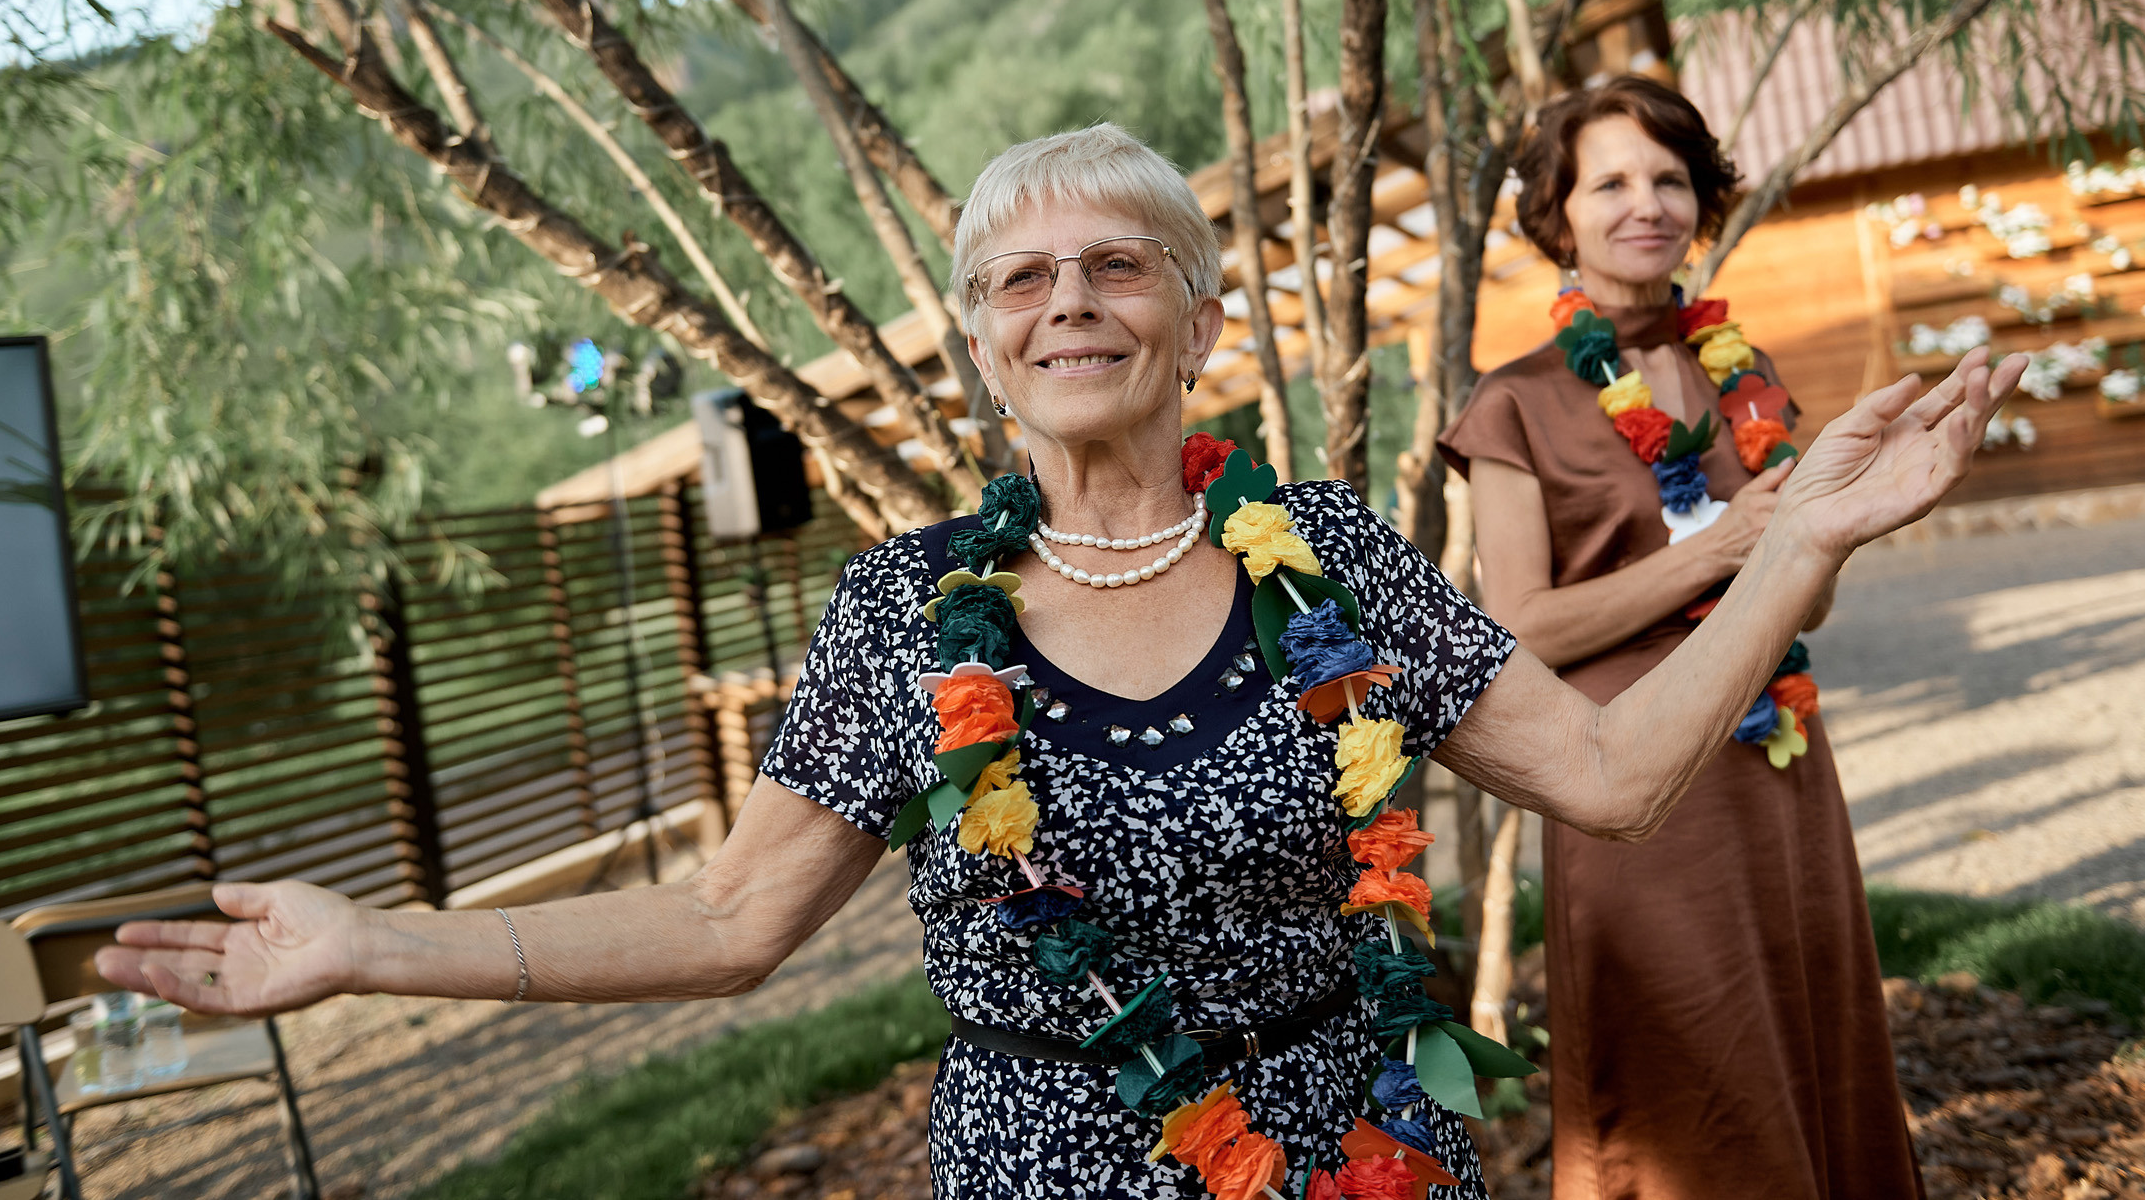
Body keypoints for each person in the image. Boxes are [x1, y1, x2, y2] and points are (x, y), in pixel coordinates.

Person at [99, 122, 2018, 1199]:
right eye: (1022, 277)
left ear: (1195, 322)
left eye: (1116, 266)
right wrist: (373, 941)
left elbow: (1608, 770)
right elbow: (728, 921)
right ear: (981, 346)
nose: (1069, 300)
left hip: (1370, 1142)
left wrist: (1809, 537)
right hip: (1055, 1162)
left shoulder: (1324, 552)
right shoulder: (896, 610)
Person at [1438, 77, 1924, 1199]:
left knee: (1810, 1028)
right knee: (1682, 1065)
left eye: (1669, 178)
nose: (1643, 202)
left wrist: (1827, 537)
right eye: (1607, 181)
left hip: (1778, 765)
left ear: (1701, 199)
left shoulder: (1741, 380)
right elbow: (1515, 630)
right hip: (1629, 771)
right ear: (1557, 214)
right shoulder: (1512, 403)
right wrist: (1714, 551)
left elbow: (1806, 607)